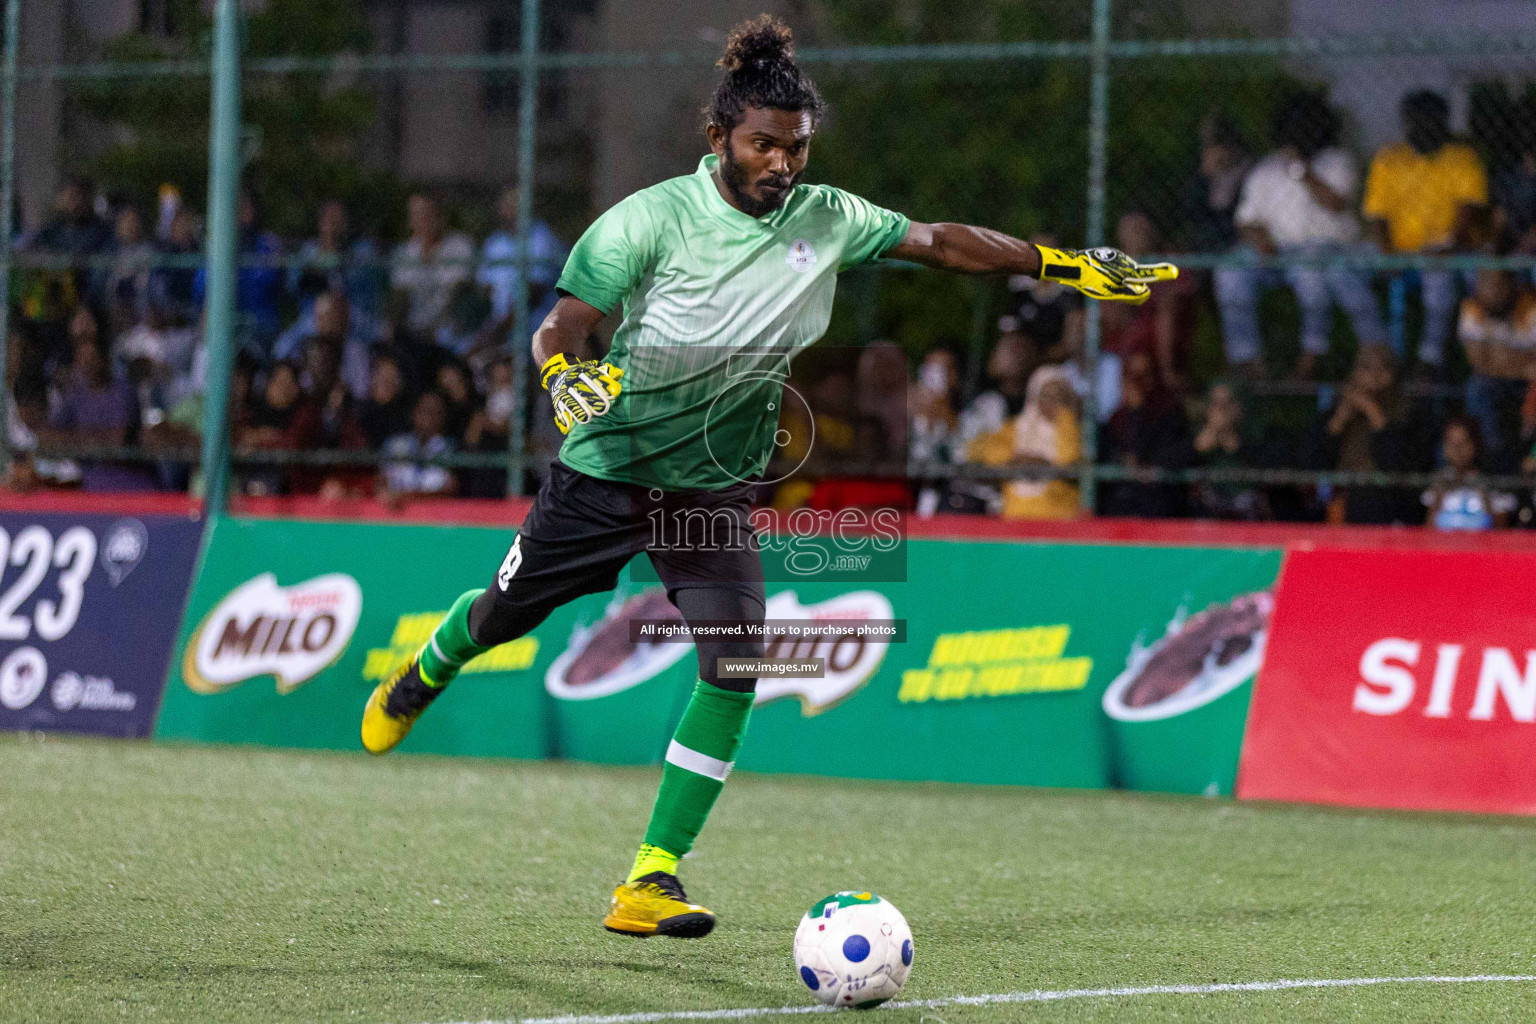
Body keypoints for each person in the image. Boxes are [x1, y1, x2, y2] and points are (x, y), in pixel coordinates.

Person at [356, 15, 1175, 940]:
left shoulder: (828, 219)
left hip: (711, 488)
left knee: (736, 662)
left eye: (797, 146)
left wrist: (1060, 263)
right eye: (763, 144)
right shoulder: (648, 219)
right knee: (506, 617)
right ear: (719, 140)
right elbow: (563, 326)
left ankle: (650, 878)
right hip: (610, 470)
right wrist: (557, 373)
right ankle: (430, 666)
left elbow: (942, 242)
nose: (783, 162)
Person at [1216, 92, 1386, 379]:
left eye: (1308, 126)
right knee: (1230, 269)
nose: (1301, 134)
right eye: (1294, 127)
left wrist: (1300, 171)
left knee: (1311, 270)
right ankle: (1246, 359)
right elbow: (1245, 220)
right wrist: (1260, 238)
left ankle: (1311, 356)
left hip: (1325, 249)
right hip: (1274, 252)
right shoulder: (1266, 168)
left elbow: (1335, 203)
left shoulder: (1337, 162)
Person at [1363, 91, 1489, 372]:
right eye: (1415, 121)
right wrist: (1388, 254)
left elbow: (1467, 213)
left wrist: (1449, 245)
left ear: (1444, 122)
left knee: (1438, 276)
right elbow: (1377, 216)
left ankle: (1429, 359)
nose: (1422, 127)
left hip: (1445, 246)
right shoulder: (1389, 159)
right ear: (1405, 123)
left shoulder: (1461, 158)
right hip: (1397, 247)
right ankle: (1377, 356)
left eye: (1430, 120)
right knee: (1346, 270)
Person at [1303, 345, 1432, 524]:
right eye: (1366, 368)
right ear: (1354, 372)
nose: (1374, 375)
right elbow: (1311, 463)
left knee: (1367, 498)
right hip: (1339, 499)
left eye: (1383, 368)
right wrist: (1338, 421)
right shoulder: (1337, 410)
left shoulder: (1409, 416)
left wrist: (1373, 413)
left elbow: (1397, 466)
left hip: (1388, 502)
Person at [1098, 350, 1193, 518]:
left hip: (1160, 502)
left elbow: (1158, 456)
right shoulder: (1115, 419)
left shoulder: (1170, 414)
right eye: (1133, 377)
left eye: (1144, 376)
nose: (1139, 384)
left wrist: (1138, 411)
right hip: (1120, 502)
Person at [1458, 269, 1536, 466]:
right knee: (1476, 388)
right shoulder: (1472, 308)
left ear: (1511, 284)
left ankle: (1530, 457)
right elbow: (1478, 363)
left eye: (1498, 285)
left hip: (1530, 382)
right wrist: (1518, 363)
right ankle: (1493, 459)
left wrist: (1498, 356)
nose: (1493, 292)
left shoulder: (1530, 307)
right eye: (1486, 285)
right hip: (1495, 381)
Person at [476, 184, 567, 347]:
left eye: (515, 203)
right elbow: (484, 290)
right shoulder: (495, 242)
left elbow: (534, 293)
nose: (508, 209)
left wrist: (499, 330)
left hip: (538, 328)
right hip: (499, 326)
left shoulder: (541, 238)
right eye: (505, 204)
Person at [389, 192, 476, 348]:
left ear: (440, 216)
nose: (422, 220)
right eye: (416, 215)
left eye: (427, 213)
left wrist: (431, 328)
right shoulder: (405, 252)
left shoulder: (461, 246)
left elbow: (457, 291)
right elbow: (400, 296)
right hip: (413, 333)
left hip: (451, 333)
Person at [289, 199, 383, 317]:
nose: (334, 226)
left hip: (354, 318)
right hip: (314, 319)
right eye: (330, 220)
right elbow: (294, 285)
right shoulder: (308, 251)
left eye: (339, 220)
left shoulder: (362, 251)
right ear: (320, 223)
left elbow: (370, 282)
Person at [1191, 381, 1269, 520]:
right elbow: (1183, 459)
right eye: (1216, 404)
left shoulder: (1251, 431)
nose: (1221, 411)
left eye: (1226, 405)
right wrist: (1210, 433)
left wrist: (1229, 435)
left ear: (1237, 406)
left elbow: (1259, 463)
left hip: (1244, 503)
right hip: (1210, 502)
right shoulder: (1198, 432)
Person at [1423, 415, 1514, 530]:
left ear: (1475, 444)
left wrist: (1484, 495)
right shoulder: (1438, 480)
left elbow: (1502, 531)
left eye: (1463, 443)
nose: (1457, 450)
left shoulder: (1491, 481)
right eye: (1451, 444)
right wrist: (1439, 495)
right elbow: (1428, 530)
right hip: (1445, 546)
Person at [379, 390, 458, 497]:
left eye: (436, 411)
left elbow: (449, 490)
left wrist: (407, 497)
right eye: (425, 410)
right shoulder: (394, 443)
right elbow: (382, 483)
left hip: (434, 511)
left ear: (443, 416)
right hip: (395, 511)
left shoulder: (450, 447)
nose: (429, 416)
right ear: (415, 413)